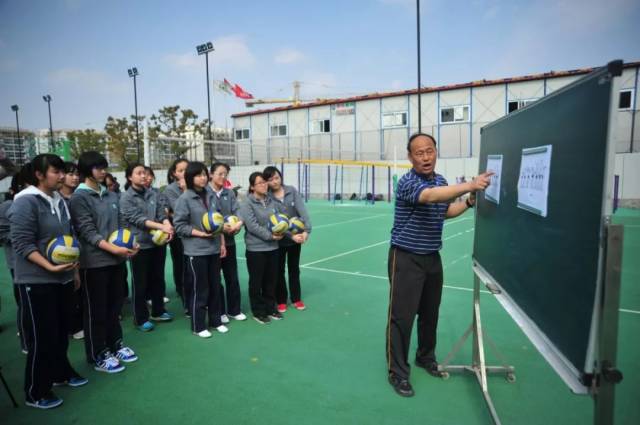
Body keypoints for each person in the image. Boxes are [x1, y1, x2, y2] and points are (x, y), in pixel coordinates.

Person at [386, 133, 493, 397]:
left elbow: (444, 211)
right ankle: (397, 373)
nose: (425, 157)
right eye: (419, 153)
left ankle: (425, 356)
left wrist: (467, 203)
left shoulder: (441, 180)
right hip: (406, 257)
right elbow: (431, 197)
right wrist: (470, 185)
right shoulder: (408, 182)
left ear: (436, 152)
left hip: (432, 257)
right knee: (402, 317)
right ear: (411, 157)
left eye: (429, 151)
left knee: (430, 313)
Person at [8, 154, 88, 409]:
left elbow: (69, 237)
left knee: (61, 331)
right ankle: (35, 391)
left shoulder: (60, 201)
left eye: (63, 171)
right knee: (42, 337)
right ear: (39, 175)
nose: (62, 176)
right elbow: (21, 242)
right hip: (36, 280)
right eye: (56, 172)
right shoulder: (25, 202)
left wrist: (72, 272)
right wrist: (50, 266)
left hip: (63, 277)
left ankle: (61, 373)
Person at [70, 151, 139, 374]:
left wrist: (131, 242)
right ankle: (98, 353)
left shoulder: (110, 195)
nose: (102, 171)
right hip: (94, 263)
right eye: (98, 168)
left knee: (114, 306)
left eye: (104, 167)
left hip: (117, 261)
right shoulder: (79, 198)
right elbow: (87, 232)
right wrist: (113, 248)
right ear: (86, 171)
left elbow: (121, 224)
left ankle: (115, 344)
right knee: (96, 310)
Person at [173, 162, 228, 337]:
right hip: (196, 251)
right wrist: (200, 234)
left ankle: (215, 320)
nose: (203, 178)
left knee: (215, 286)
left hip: (213, 249)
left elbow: (218, 221)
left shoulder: (211, 195)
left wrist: (221, 244)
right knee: (200, 288)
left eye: (204, 174)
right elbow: (179, 226)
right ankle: (198, 326)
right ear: (190, 177)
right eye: (198, 175)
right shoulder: (184, 199)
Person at [120, 163, 174, 332]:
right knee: (140, 283)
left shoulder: (153, 193)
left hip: (157, 243)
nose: (143, 176)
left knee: (158, 278)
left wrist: (167, 225)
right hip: (139, 245)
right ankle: (140, 317)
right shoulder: (126, 197)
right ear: (130, 177)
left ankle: (158, 311)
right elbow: (138, 220)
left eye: (145, 173)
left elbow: (160, 213)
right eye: (139, 173)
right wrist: (161, 227)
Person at [263, 166, 312, 313]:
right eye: (270, 180)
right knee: (278, 270)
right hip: (279, 239)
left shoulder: (291, 191)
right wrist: (292, 235)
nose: (274, 182)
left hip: (296, 240)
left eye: (276, 178)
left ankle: (296, 298)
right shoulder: (268, 197)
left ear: (281, 177)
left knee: (294, 269)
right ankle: (282, 300)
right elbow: (277, 222)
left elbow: (302, 211)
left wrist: (306, 231)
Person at [239, 172, 285, 324]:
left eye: (265, 182)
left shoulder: (271, 200)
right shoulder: (247, 203)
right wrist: (271, 236)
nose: (264, 185)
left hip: (273, 248)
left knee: (271, 280)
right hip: (256, 249)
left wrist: (281, 230)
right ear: (252, 187)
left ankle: (271, 308)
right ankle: (258, 311)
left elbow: (278, 219)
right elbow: (252, 226)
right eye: (260, 183)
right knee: (256, 282)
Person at [209, 162, 246, 323]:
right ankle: (220, 311)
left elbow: (237, 210)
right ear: (211, 174)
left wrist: (238, 223)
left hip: (229, 242)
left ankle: (234, 309)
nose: (223, 177)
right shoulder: (205, 193)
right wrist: (221, 228)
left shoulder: (229, 193)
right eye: (220, 174)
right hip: (211, 244)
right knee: (215, 279)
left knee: (232, 277)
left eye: (225, 174)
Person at [0, 170, 29, 353]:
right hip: (18, 264)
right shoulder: (8, 206)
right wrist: (25, 236)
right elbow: (3, 234)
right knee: (24, 303)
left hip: (40, 264)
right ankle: (26, 339)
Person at [59, 161, 84, 340]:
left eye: (76, 174)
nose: (74, 177)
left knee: (80, 288)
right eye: (70, 174)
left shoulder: (80, 197)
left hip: (83, 250)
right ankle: (71, 326)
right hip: (63, 251)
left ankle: (78, 324)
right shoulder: (56, 200)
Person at [164, 158, 189, 310]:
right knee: (181, 265)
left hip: (196, 234)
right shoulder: (171, 190)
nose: (185, 173)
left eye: (187, 169)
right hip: (180, 235)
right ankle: (184, 294)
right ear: (174, 174)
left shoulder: (198, 186)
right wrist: (186, 190)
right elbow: (181, 211)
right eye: (181, 170)